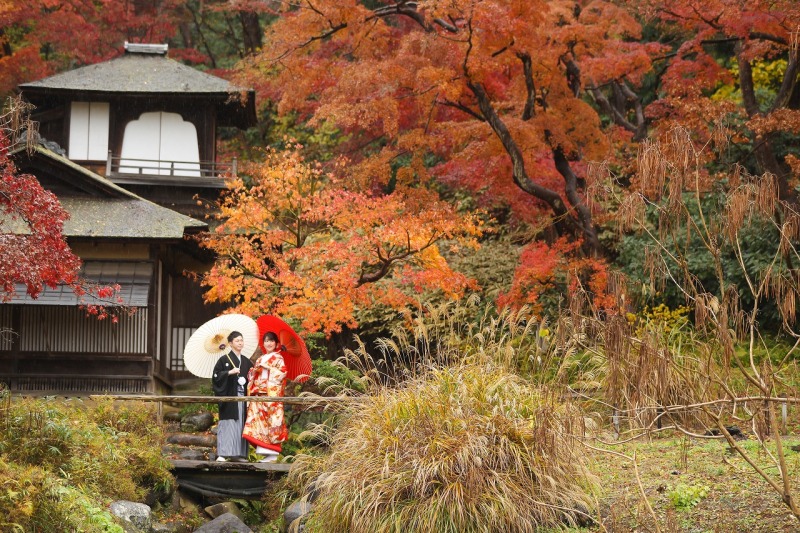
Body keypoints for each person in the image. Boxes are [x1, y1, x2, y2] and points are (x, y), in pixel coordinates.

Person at [242, 331, 288, 463]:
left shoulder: (279, 358)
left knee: (272, 424)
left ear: (276, 343)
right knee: (257, 423)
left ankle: (272, 453)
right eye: (266, 341)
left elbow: (282, 374)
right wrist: (253, 372)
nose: (269, 343)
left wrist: (269, 367)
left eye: (271, 341)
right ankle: (266, 453)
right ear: (263, 344)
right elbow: (253, 378)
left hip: (271, 396)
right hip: (259, 395)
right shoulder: (260, 358)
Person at [211, 330, 253, 462]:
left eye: (241, 340)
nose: (240, 343)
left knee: (241, 425)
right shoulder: (223, 360)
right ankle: (223, 453)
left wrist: (248, 379)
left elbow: (253, 378)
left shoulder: (246, 362)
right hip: (229, 397)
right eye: (237, 341)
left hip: (243, 398)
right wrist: (229, 372)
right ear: (230, 343)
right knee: (228, 424)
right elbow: (216, 377)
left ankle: (237, 454)